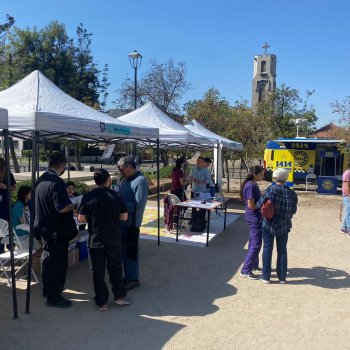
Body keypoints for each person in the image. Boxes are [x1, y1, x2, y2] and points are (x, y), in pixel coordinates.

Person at [77, 169, 131, 311]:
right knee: (116, 269)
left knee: (97, 272)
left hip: (95, 240)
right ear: (108, 180)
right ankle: (119, 296)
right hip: (113, 239)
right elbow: (124, 217)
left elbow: (81, 218)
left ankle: (102, 302)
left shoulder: (88, 196)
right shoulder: (117, 196)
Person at [34, 153, 78, 308]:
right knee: (58, 264)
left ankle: (48, 290)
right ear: (62, 165)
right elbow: (62, 207)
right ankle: (54, 296)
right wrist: (75, 204)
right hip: (56, 231)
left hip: (44, 228)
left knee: (47, 260)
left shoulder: (40, 180)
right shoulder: (56, 182)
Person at [257, 168, 298, 284]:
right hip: (284, 225)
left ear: (275, 178)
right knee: (282, 251)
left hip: (268, 224)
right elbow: (293, 210)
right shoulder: (292, 193)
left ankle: (266, 277)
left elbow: (260, 204)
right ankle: (282, 277)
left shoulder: (271, 189)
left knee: (267, 249)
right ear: (286, 178)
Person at [116, 155, 149, 291]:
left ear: (130, 167)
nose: (120, 172)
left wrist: (135, 226)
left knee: (131, 251)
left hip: (131, 224)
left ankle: (133, 279)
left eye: (122, 169)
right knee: (123, 250)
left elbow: (139, 205)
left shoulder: (140, 181)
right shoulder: (124, 178)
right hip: (121, 223)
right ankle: (128, 275)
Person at [239, 166, 265, 280]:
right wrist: (261, 203)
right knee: (256, 243)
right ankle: (245, 270)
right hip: (254, 217)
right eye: (261, 175)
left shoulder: (252, 184)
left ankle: (253, 265)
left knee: (252, 241)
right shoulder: (250, 185)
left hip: (255, 216)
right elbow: (251, 205)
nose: (262, 177)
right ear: (255, 174)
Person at [0, 157, 16, 252]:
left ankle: (10, 246)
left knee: (7, 224)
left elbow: (14, 188)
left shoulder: (8, 175)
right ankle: (0, 249)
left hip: (6, 204)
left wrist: (6, 187)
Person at [340, 164, 350, 234]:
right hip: (347, 195)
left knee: (348, 212)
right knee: (349, 213)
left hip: (347, 195)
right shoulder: (347, 173)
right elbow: (346, 186)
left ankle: (344, 228)